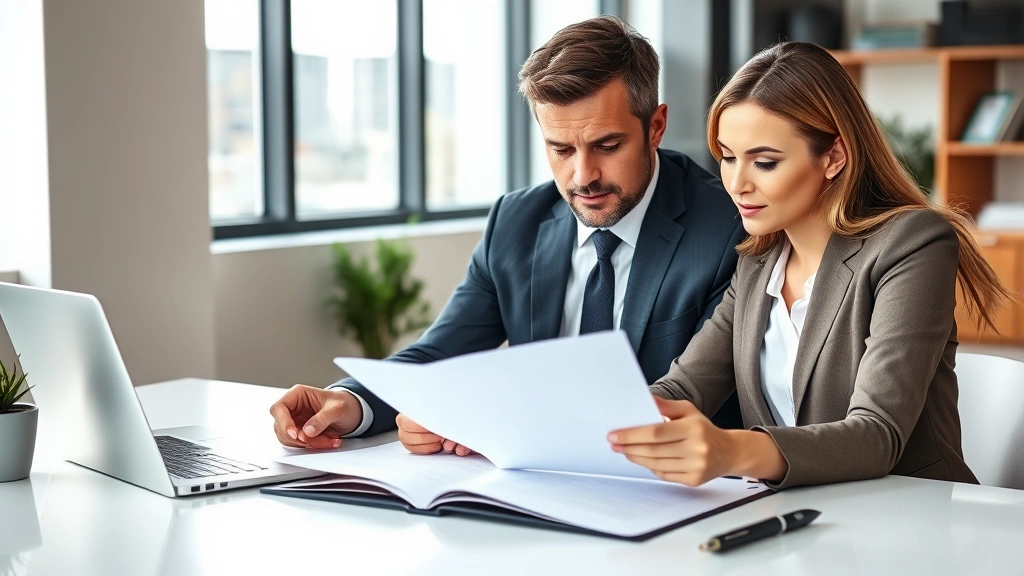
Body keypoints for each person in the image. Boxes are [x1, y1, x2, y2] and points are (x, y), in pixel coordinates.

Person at [269, 16, 746, 454]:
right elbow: (441, 351)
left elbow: (688, 399)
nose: (583, 176)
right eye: (560, 149)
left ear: (655, 126)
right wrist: (347, 403)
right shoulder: (516, 222)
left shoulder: (726, 228)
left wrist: (495, 422)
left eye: (607, 145)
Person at [609, 41, 1010, 490]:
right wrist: (610, 425)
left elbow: (877, 434)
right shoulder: (758, 262)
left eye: (764, 162)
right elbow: (684, 390)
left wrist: (732, 450)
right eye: (726, 157)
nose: (737, 183)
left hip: (910, 523)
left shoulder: (912, 244)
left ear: (833, 157)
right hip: (798, 522)